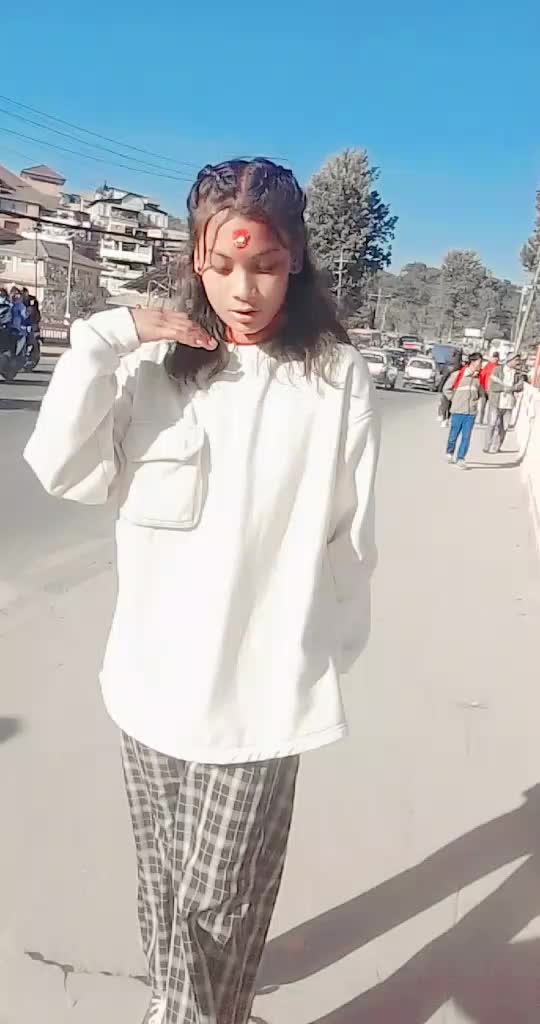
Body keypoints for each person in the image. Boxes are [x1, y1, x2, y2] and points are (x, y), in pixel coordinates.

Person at [24, 158, 380, 1024]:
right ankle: (197, 1009)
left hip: (263, 690)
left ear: (295, 260)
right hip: (149, 684)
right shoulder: (154, 365)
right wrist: (104, 339)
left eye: (264, 264)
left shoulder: (334, 377)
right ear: (195, 260)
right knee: (165, 886)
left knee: (219, 895)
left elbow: (351, 537)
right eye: (221, 266)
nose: (243, 289)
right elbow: (64, 471)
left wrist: (317, 663)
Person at [443, 352, 482, 468]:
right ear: (473, 362)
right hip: (458, 410)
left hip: (470, 413)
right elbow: (446, 389)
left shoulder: (478, 378)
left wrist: (475, 403)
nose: (481, 365)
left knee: (466, 437)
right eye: (479, 362)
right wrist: (454, 400)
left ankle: (461, 458)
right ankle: (450, 452)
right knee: (453, 435)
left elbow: (480, 393)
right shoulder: (458, 375)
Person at [484, 354, 523, 454]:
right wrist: (504, 388)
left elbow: (520, 386)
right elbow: (492, 386)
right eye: (516, 360)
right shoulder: (498, 370)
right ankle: (487, 445)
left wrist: (512, 388)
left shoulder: (518, 373)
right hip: (496, 402)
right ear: (509, 360)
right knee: (492, 424)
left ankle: (496, 447)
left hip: (508, 404)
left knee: (504, 427)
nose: (518, 362)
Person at [437, 350, 462, 426]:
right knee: (450, 405)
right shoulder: (461, 367)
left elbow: (444, 377)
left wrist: (440, 387)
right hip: (455, 388)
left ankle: (444, 419)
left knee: (445, 404)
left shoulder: (450, 365)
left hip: (448, 387)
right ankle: (446, 419)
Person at [477, 351, 499, 425]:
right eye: (494, 357)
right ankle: (481, 420)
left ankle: (488, 421)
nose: (495, 359)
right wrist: (481, 386)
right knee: (483, 406)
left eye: (496, 357)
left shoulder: (498, 367)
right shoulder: (488, 366)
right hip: (485, 388)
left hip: (491, 389)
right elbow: (482, 375)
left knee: (490, 406)